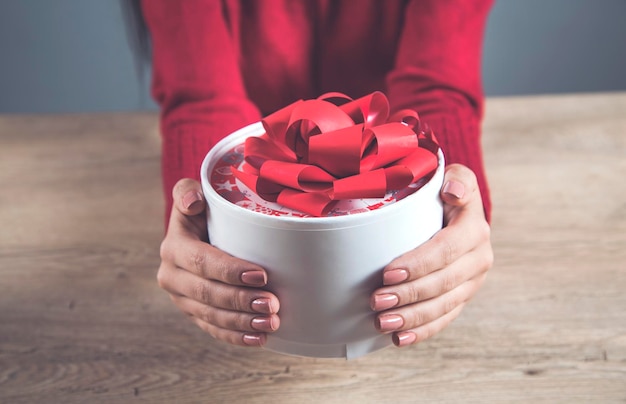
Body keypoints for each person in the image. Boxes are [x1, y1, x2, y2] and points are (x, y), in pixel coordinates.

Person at [140, 0, 494, 348]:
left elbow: (435, 86)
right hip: (255, 179)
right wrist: (201, 221)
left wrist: (456, 208)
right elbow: (203, 97)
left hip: (392, 173)